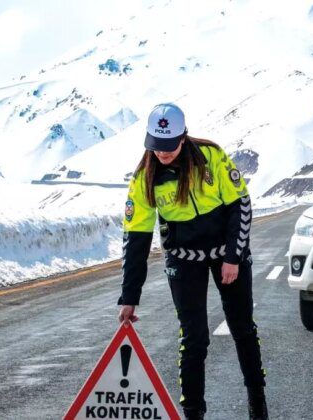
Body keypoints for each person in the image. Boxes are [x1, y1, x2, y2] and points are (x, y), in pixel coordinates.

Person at [117, 103, 268, 419]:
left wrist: (232, 257)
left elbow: (241, 205)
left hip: (227, 251)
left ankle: (258, 405)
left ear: (183, 138)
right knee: (194, 337)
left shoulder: (210, 156)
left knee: (242, 327)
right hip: (183, 259)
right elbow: (136, 239)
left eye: (169, 147)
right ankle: (193, 414)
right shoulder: (144, 178)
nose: (163, 154)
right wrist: (129, 298)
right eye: (156, 147)